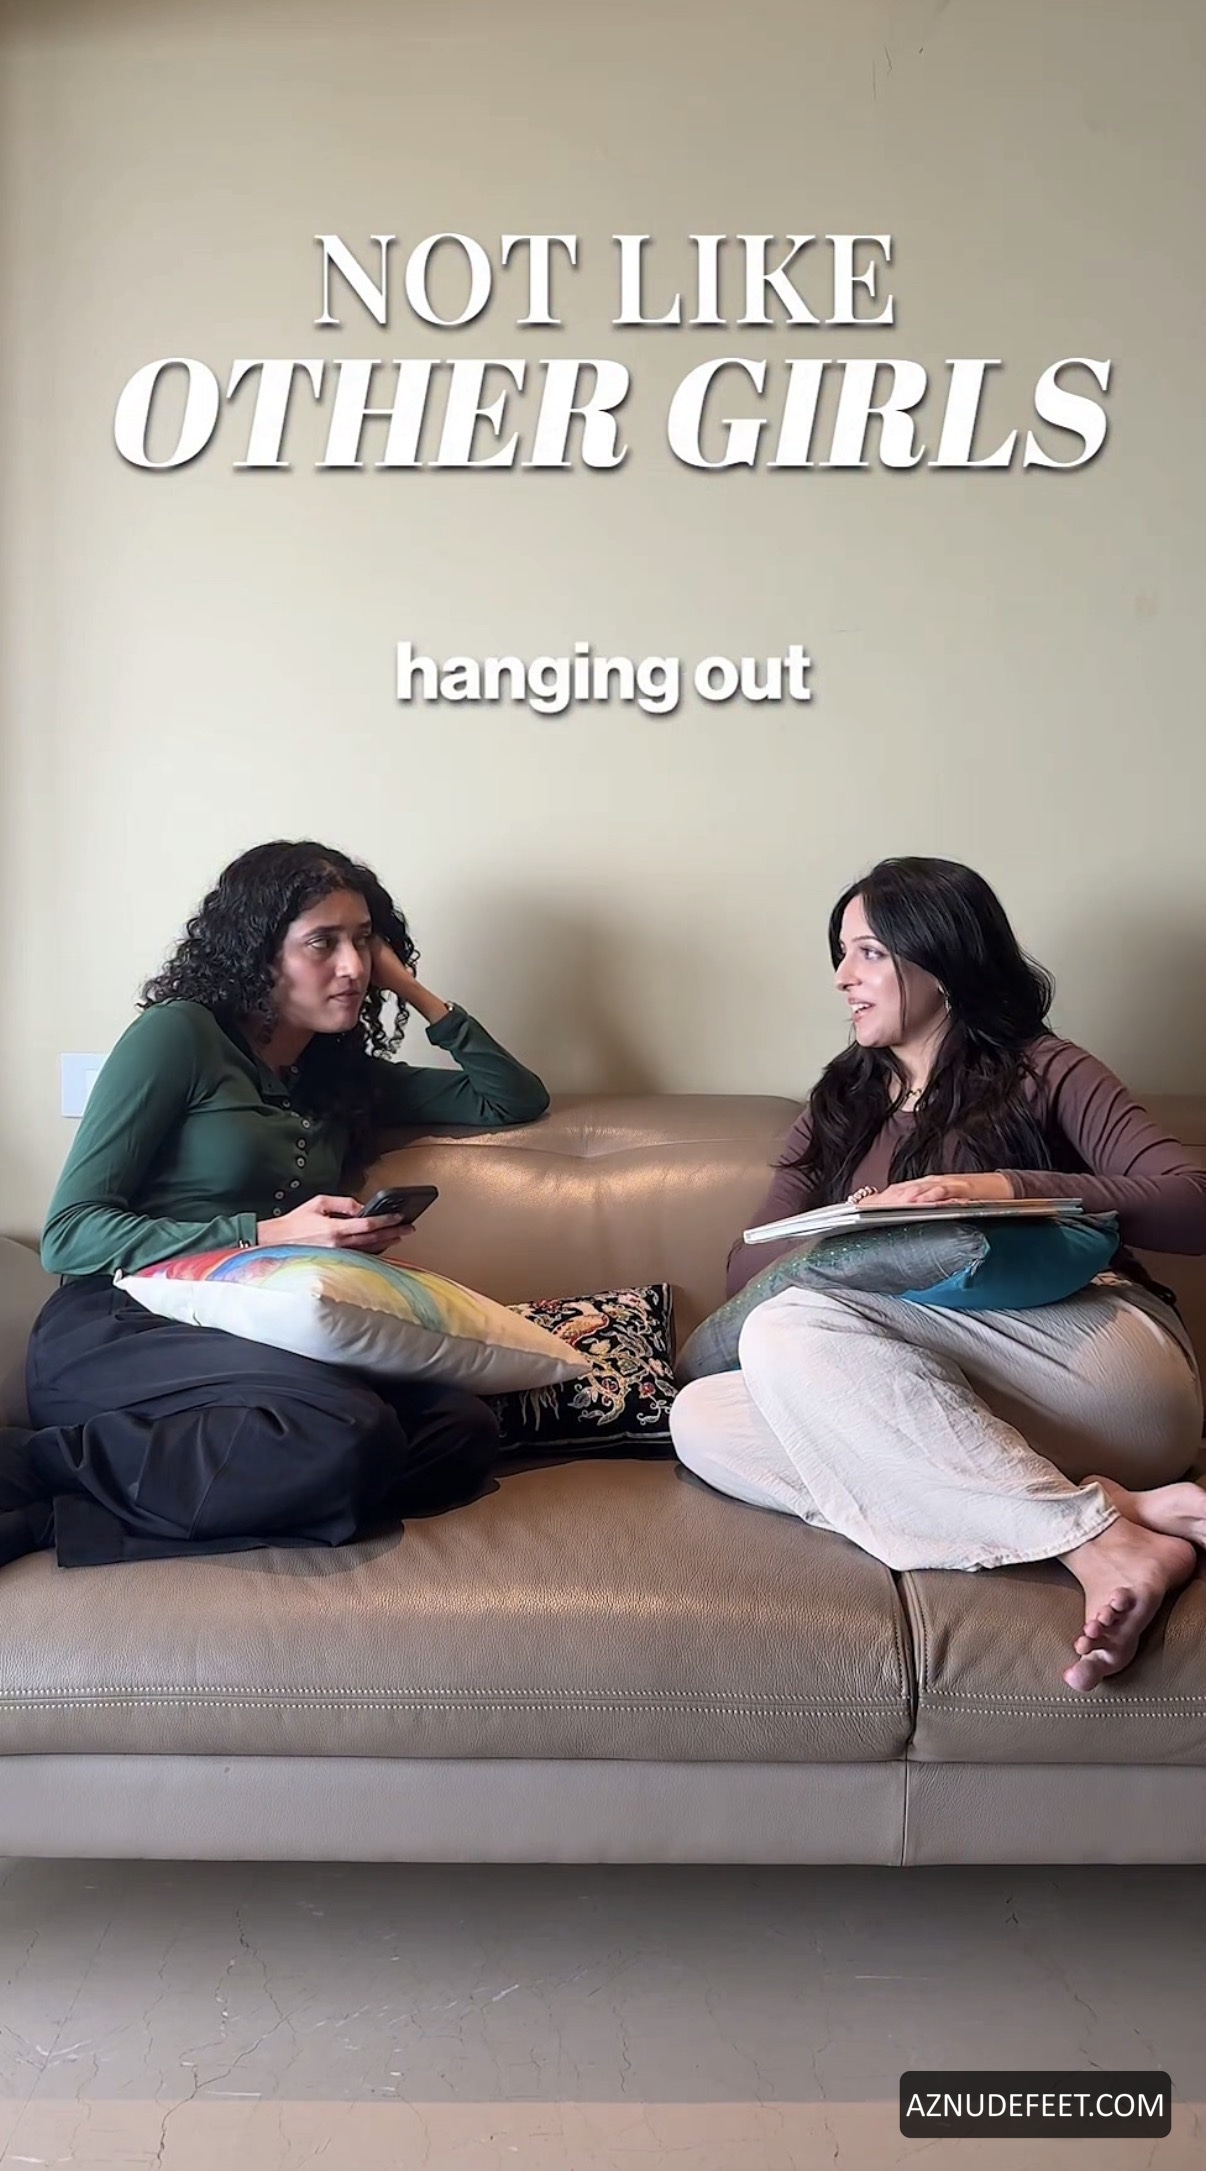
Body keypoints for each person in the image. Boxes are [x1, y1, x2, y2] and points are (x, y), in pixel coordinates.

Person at [671, 857, 1206, 1694]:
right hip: (968, 1403)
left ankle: (1085, 1533)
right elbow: (748, 1263)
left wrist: (1001, 1189)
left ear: (942, 960)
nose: (843, 977)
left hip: (1102, 1363)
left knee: (789, 1325)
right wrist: (859, 1228)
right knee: (701, 1419)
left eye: (868, 952)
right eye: (841, 954)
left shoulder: (1045, 1068)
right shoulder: (841, 1103)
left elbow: (1193, 1202)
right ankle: (1108, 1521)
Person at [0, 840, 551, 1571]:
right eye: (323, 943)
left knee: (462, 1431)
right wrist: (266, 1233)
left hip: (253, 1325)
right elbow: (70, 1235)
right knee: (345, 1431)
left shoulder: (342, 1076)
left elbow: (512, 1098)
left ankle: (153, 1501)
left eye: (364, 941)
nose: (353, 966)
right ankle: (41, 1473)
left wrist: (413, 990)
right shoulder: (180, 1036)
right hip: (124, 1322)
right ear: (258, 954)